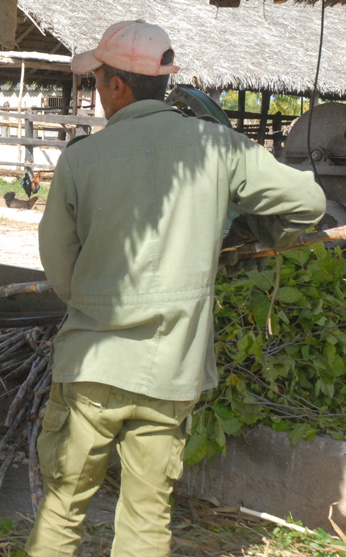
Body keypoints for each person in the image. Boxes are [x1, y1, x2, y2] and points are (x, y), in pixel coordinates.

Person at [26, 20, 325, 557]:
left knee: (64, 505)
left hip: (93, 364)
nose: (96, 92)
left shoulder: (80, 159)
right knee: (146, 517)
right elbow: (308, 203)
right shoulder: (217, 146)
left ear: (117, 85)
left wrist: (94, 305)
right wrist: (257, 227)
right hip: (171, 369)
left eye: (98, 80)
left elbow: (58, 265)